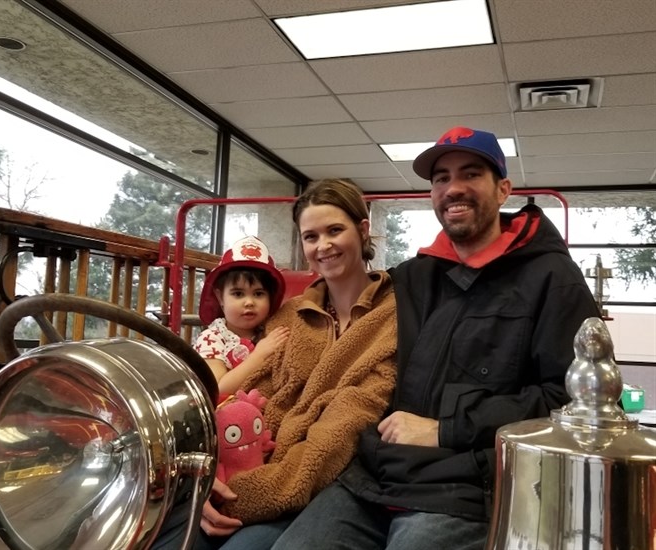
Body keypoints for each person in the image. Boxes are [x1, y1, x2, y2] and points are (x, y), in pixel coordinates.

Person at [271, 127, 601, 550]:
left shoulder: (553, 280)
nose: (453, 188)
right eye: (441, 178)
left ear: (503, 189)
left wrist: (447, 430)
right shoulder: (414, 277)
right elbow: (347, 318)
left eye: (470, 174)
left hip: (469, 486)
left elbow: (571, 400)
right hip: (377, 475)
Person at [184, 178, 398, 550]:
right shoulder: (287, 316)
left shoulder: (392, 316)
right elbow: (251, 401)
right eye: (310, 236)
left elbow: (348, 423)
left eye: (335, 230)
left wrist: (241, 494)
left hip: (325, 481)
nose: (323, 246)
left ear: (363, 231)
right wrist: (205, 481)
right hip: (252, 468)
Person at [194, 235, 290, 397]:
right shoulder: (212, 339)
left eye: (259, 294)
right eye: (238, 294)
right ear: (220, 297)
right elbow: (219, 389)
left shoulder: (271, 330)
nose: (249, 302)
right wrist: (259, 355)